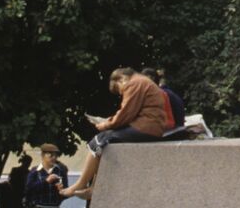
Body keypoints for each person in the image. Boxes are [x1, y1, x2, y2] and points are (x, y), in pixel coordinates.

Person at [57, 68, 169, 199]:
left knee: (97, 141)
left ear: (121, 79)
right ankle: (93, 187)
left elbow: (125, 113)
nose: (121, 94)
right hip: (150, 126)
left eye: (119, 90)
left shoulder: (134, 83)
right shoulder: (142, 82)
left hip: (145, 127)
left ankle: (80, 184)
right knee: (104, 143)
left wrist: (105, 124)